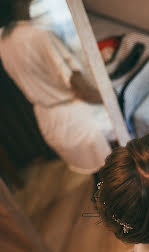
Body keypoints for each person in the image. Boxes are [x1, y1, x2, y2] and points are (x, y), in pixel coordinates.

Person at [0, 0, 115, 175]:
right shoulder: (40, 35)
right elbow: (81, 89)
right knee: (115, 171)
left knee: (98, 175)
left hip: (49, 122)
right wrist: (112, 98)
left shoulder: (3, 41)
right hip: (80, 121)